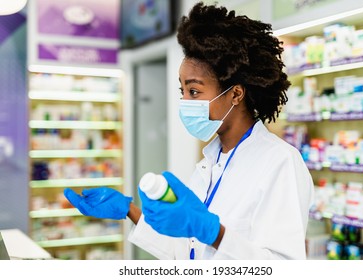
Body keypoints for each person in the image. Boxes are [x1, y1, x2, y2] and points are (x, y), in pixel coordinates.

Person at [64, 2, 314, 260]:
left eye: (194, 91)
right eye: (182, 91)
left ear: (236, 94)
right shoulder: (210, 164)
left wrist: (213, 232)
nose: (184, 101)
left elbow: (282, 267)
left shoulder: (279, 162)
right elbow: (185, 250)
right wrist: (130, 211)